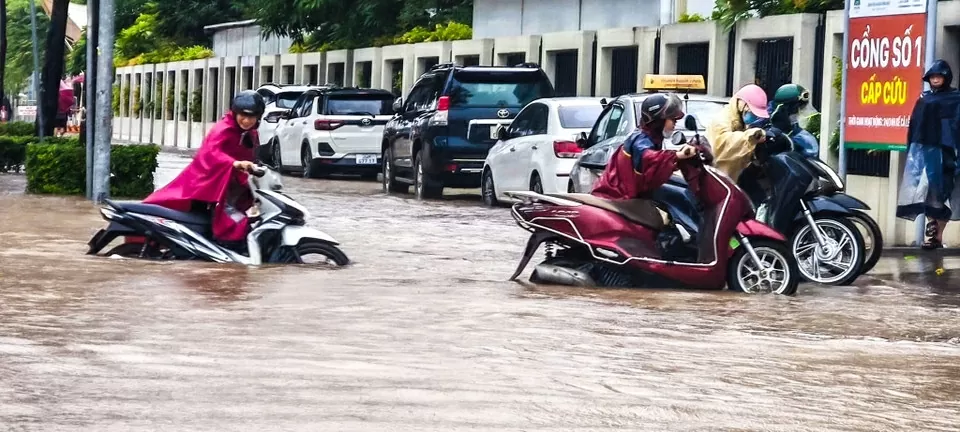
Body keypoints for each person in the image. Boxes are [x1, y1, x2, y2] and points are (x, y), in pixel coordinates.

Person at [142, 90, 265, 250]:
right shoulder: (223, 129)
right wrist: (234, 164)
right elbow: (211, 152)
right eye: (243, 115)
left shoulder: (251, 133)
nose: (247, 120)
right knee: (218, 222)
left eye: (252, 117)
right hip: (205, 185)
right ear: (235, 113)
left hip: (228, 186)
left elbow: (254, 155)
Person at [591, 93, 703, 201]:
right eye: (672, 120)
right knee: (681, 200)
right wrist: (677, 155)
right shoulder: (640, 139)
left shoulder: (652, 138)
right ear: (659, 120)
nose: (675, 124)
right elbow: (647, 156)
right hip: (617, 196)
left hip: (634, 195)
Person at [897, 59, 960, 249]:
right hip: (927, 154)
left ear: (946, 77)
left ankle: (937, 235)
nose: (935, 79)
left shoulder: (956, 98)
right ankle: (935, 234)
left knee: (947, 192)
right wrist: (914, 151)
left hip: (950, 154)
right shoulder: (924, 99)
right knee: (930, 193)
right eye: (932, 76)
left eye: (939, 76)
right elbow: (915, 127)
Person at [707, 84, 770, 183]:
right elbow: (724, 144)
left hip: (733, 180)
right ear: (742, 104)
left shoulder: (741, 122)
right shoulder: (721, 121)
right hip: (717, 180)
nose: (753, 115)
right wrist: (751, 136)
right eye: (751, 111)